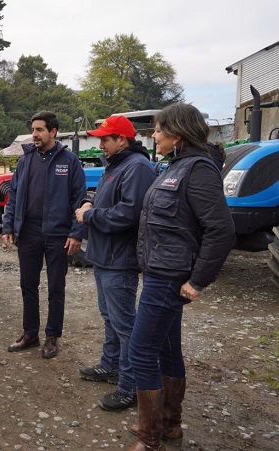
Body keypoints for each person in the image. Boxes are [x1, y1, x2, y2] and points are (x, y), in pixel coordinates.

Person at [128, 103, 236, 451]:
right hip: (161, 272)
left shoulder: (198, 169)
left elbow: (221, 231)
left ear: (177, 133)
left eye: (158, 130)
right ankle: (170, 426)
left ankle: (149, 439)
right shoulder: (176, 165)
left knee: (141, 351)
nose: (153, 135)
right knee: (167, 349)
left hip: (169, 278)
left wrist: (198, 280)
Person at [74, 115, 157, 412]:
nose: (100, 144)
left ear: (122, 140)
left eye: (105, 139)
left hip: (119, 259)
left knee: (124, 323)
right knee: (110, 317)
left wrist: (90, 215)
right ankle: (109, 366)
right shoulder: (118, 165)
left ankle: (130, 385)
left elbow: (128, 214)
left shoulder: (136, 168)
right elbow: (111, 203)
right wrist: (90, 203)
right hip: (105, 256)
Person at [2, 111, 86, 359]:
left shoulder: (69, 162)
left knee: (56, 287)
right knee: (28, 284)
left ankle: (52, 336)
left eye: (39, 130)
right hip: (28, 233)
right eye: (33, 129)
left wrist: (76, 232)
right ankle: (30, 334)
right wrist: (8, 227)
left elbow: (79, 199)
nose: (34, 135)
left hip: (58, 235)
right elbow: (14, 197)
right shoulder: (26, 161)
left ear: (53, 132)